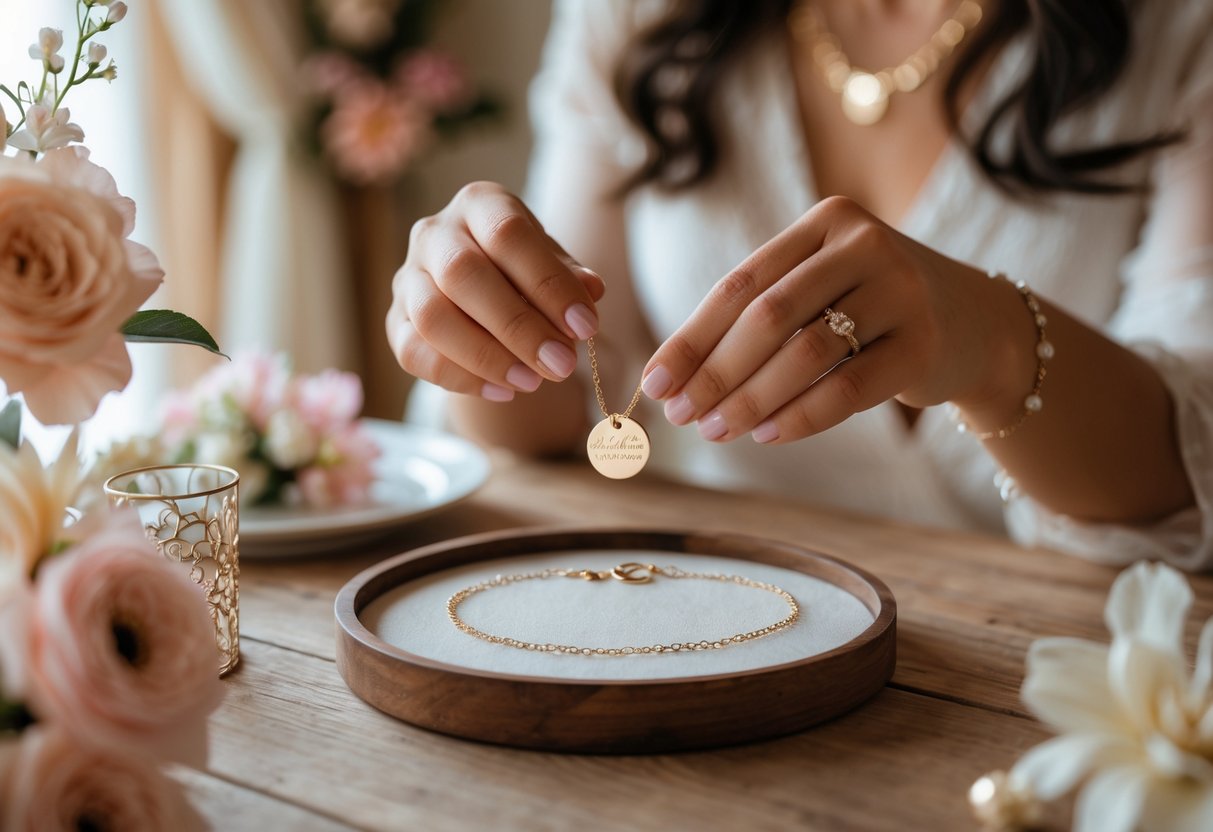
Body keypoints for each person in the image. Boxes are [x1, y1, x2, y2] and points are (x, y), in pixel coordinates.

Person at [387, 0, 1213, 570]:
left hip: (1062, 670)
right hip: (722, 631)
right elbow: (570, 393)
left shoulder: (1181, 28)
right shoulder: (639, 14)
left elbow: (1196, 453)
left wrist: (996, 344)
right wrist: (482, 321)